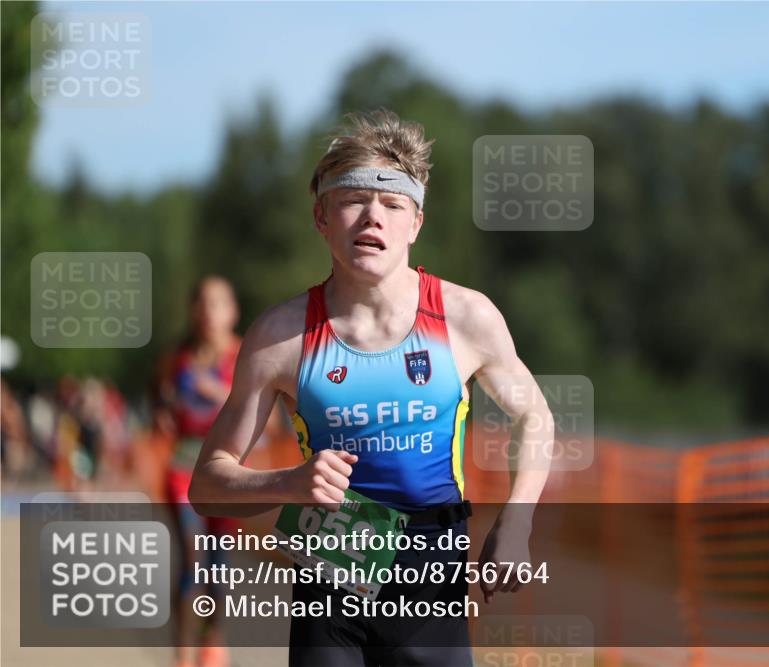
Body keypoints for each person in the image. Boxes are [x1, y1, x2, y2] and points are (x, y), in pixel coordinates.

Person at [189, 110, 552, 667]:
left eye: (392, 205)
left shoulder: (465, 317)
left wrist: (517, 518)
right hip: (330, 584)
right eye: (353, 201)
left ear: (416, 223)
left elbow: (535, 417)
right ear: (322, 218)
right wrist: (290, 482)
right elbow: (208, 484)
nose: (372, 219)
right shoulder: (279, 336)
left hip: (433, 578)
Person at [156, 275, 242, 667]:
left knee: (219, 566)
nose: (210, 311)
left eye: (218, 303)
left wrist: (220, 394)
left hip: (227, 473)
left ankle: (213, 645)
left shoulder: (243, 355)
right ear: (193, 311)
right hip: (183, 470)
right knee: (193, 561)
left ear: (232, 312)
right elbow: (159, 396)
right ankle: (183, 655)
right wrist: (164, 413)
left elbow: (268, 419)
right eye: (203, 303)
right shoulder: (179, 359)